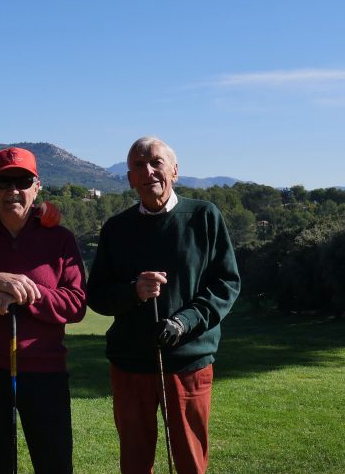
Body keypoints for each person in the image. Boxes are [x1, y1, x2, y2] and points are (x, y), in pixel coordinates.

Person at [87, 136, 241, 474]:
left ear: (174, 170)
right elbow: (96, 294)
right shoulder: (116, 228)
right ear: (129, 178)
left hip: (188, 362)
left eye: (156, 162)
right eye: (138, 165)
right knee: (135, 459)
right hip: (130, 364)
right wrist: (133, 291)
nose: (149, 171)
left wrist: (184, 322)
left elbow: (226, 284)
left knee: (189, 459)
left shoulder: (203, 216)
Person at [0, 147, 86, 474]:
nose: (13, 191)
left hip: (45, 371)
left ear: (37, 187)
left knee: (55, 464)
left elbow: (76, 304)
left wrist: (24, 293)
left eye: (23, 181)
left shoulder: (60, 239)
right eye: (4, 182)